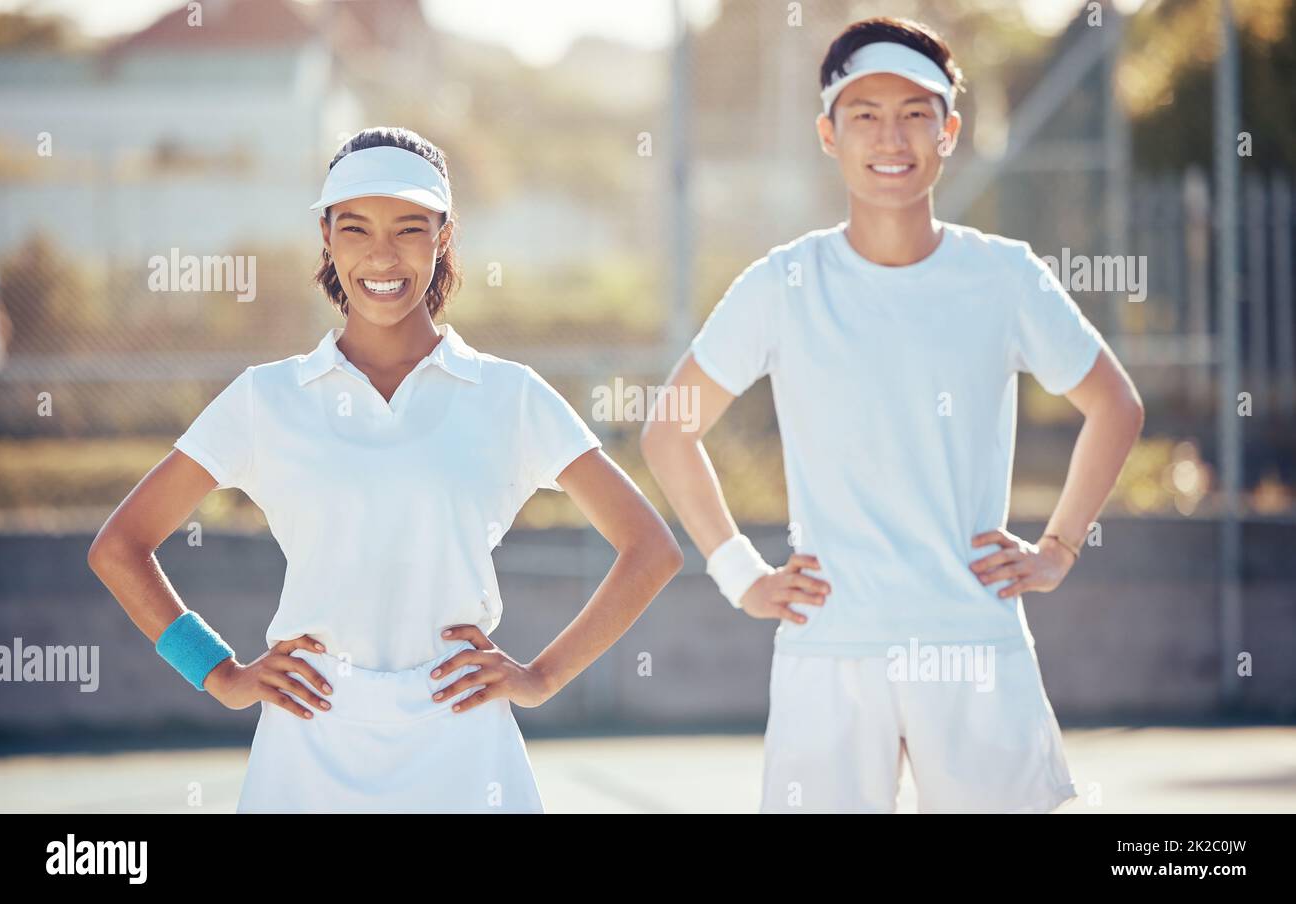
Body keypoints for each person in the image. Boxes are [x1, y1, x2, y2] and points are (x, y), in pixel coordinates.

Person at [88, 126, 683, 813]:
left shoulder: (508, 395)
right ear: (326, 237)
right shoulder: (266, 397)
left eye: (408, 228)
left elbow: (651, 550)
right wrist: (219, 674)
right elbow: (120, 548)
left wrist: (542, 676)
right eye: (356, 228)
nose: (381, 254)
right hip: (307, 745)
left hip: (464, 745)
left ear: (444, 236)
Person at [640, 18, 1145, 813]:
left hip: (974, 641)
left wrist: (1058, 548)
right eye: (865, 114)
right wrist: (740, 573)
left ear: (948, 132)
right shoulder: (784, 283)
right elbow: (669, 429)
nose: (890, 135)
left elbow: (1114, 404)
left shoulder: (1002, 275)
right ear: (828, 134)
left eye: (915, 113)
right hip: (830, 645)